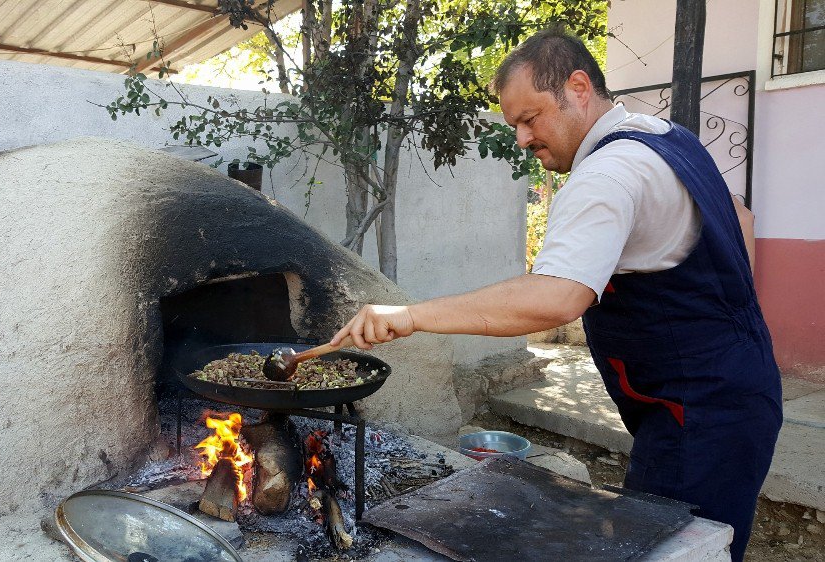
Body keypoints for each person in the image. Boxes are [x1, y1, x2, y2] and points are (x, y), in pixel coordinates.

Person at [330, 27, 782, 561]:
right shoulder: (664, 136)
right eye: (514, 124)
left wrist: (409, 315)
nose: (521, 138)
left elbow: (555, 299)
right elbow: (742, 219)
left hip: (698, 414)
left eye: (530, 118)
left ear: (577, 86)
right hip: (735, 389)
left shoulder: (606, 174)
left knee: (678, 550)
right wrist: (723, 321)